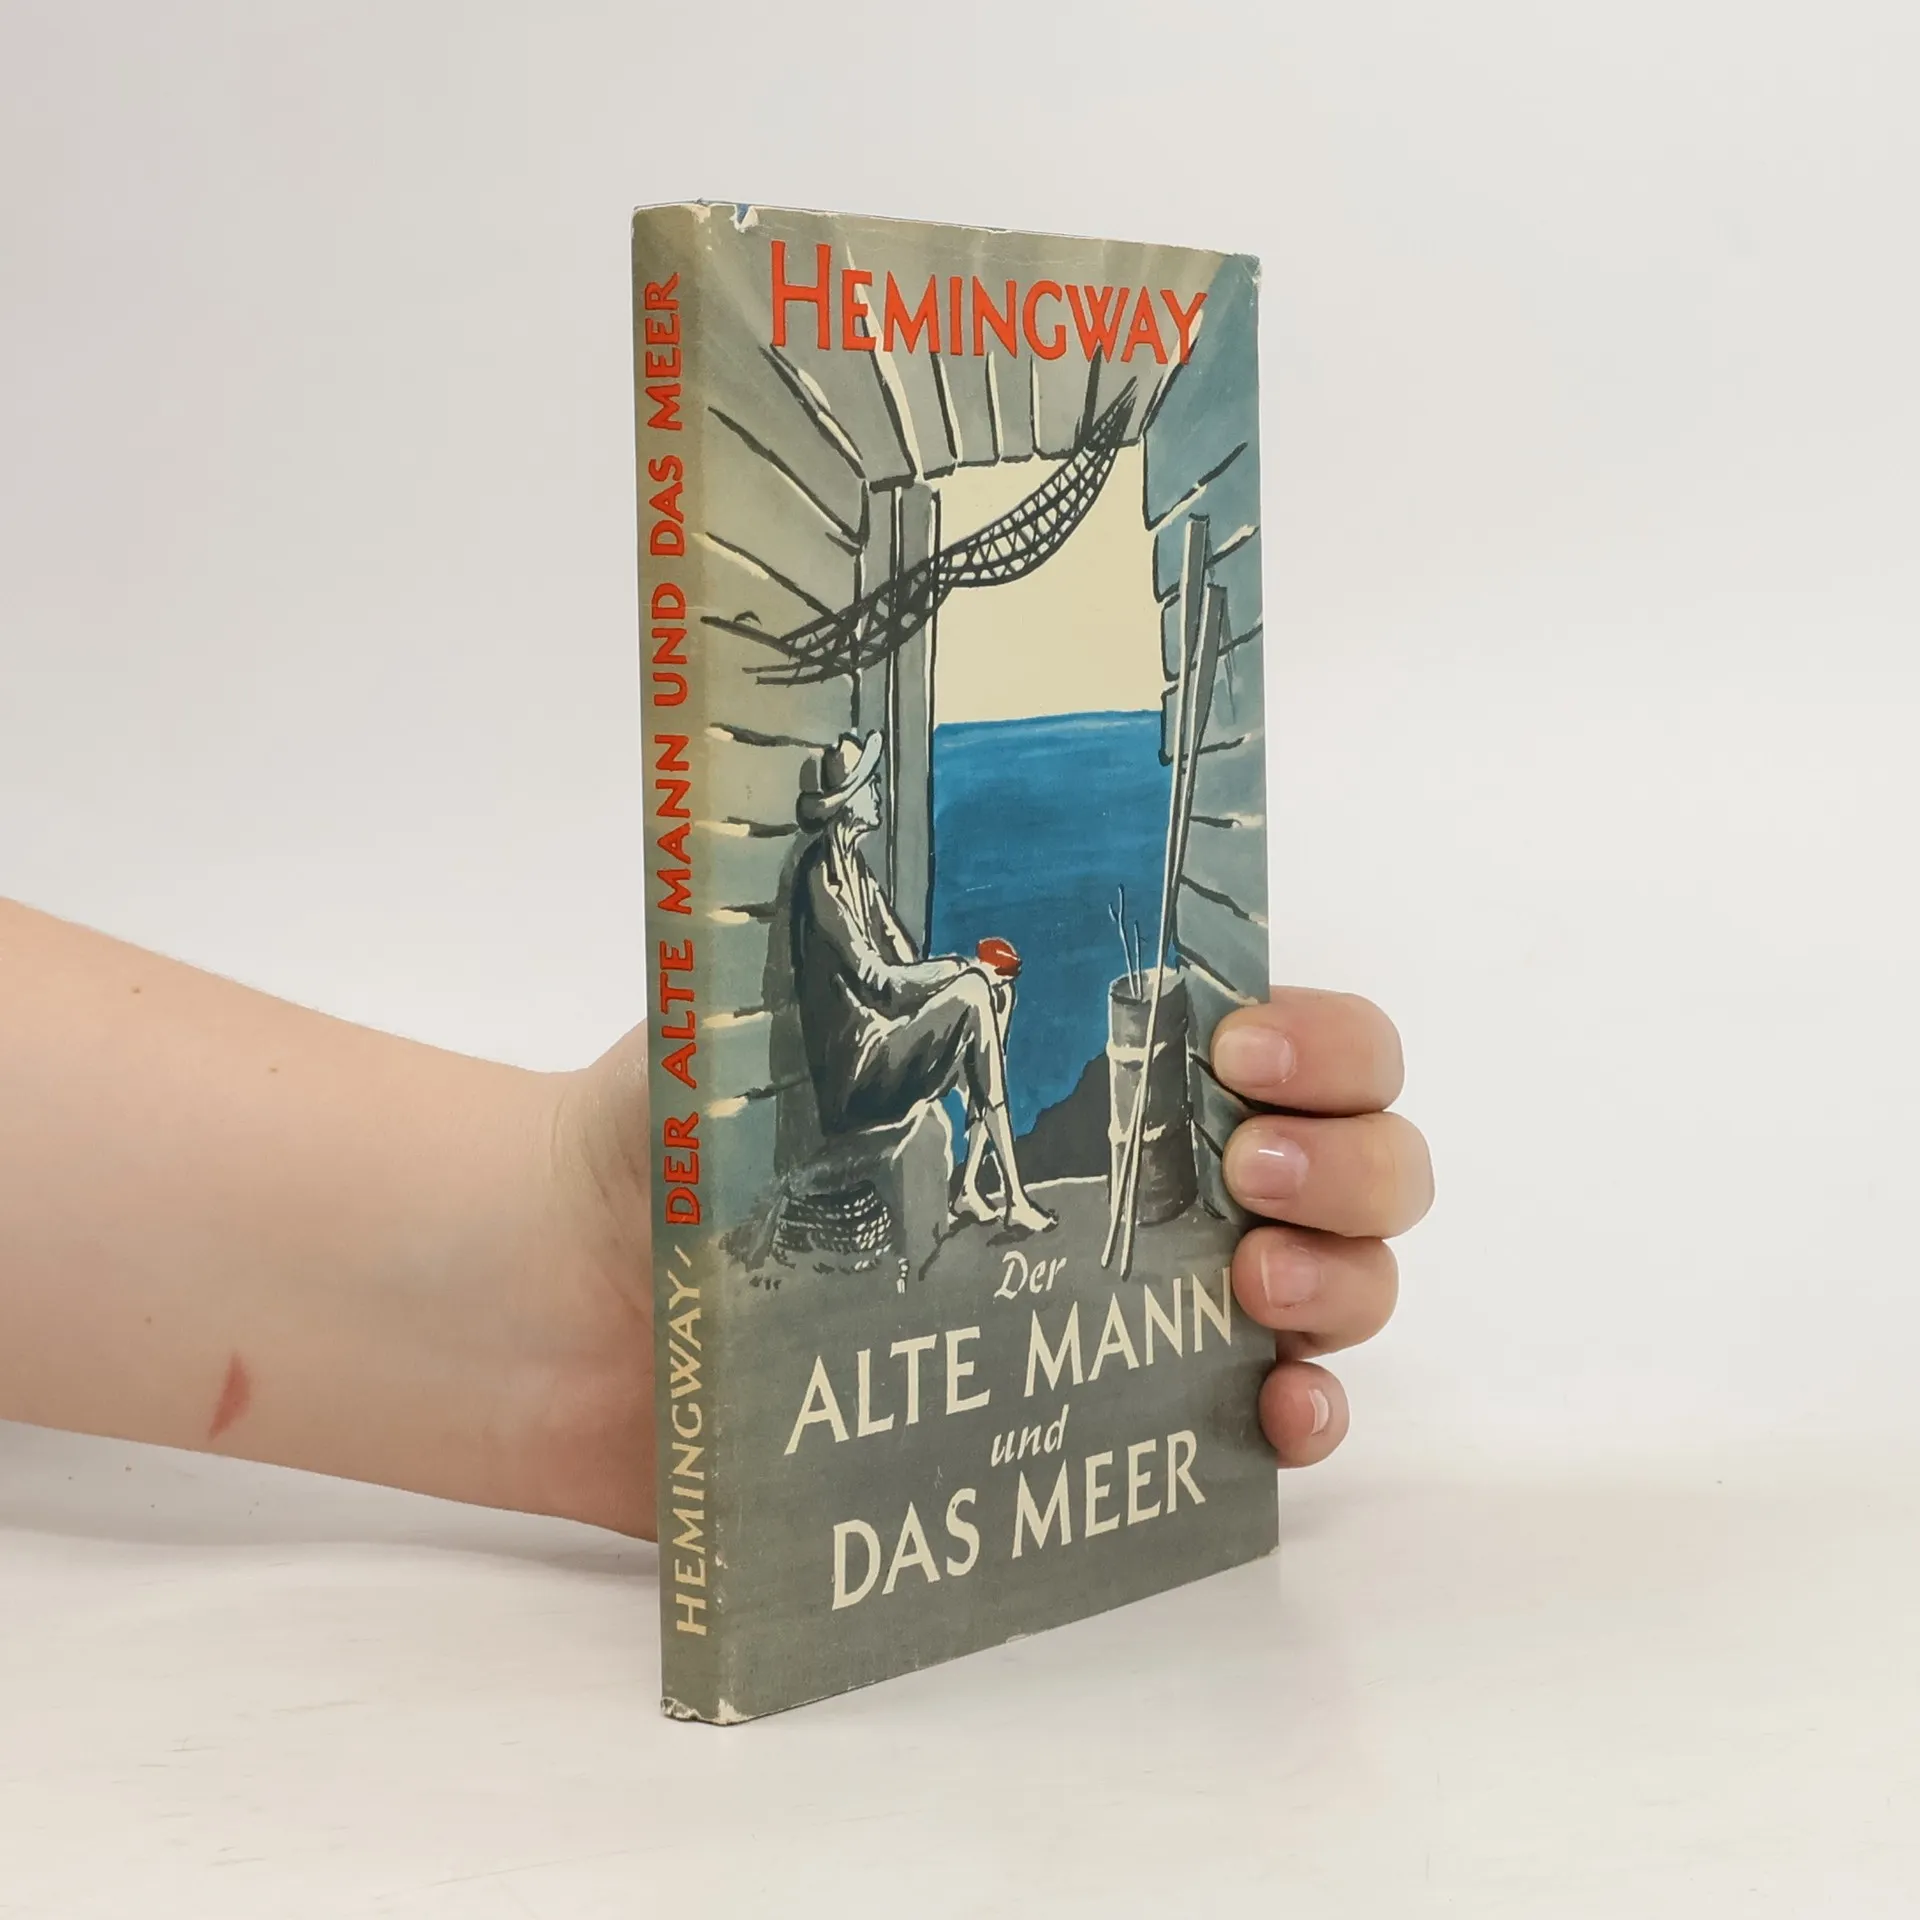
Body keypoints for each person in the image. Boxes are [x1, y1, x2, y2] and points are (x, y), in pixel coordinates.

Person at [0, 895, 1433, 1538]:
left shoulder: (848, 868)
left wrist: (584, 1258)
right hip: (860, 1072)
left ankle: (993, 1173)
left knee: (976, 1015)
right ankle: (995, 1175)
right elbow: (868, 988)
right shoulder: (828, 875)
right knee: (970, 1017)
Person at [791, 729, 1051, 1233]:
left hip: (886, 1051)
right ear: (846, 805)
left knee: (996, 995)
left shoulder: (858, 874)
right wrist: (960, 973)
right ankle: (1015, 1197)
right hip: (857, 1078)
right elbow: (879, 983)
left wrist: (968, 973)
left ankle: (969, 1185)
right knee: (973, 992)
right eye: (869, 784)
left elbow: (905, 960)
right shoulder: (822, 880)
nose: (878, 792)